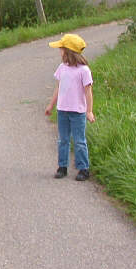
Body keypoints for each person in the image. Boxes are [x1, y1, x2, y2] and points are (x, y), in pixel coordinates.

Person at [45, 33, 95, 181]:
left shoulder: (84, 70)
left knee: (79, 141)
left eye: (61, 49)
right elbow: (58, 88)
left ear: (68, 51)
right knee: (63, 140)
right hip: (63, 111)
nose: (59, 52)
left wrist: (89, 111)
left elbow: (88, 92)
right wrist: (51, 105)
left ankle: (83, 168)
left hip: (78, 112)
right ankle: (62, 167)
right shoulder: (62, 68)